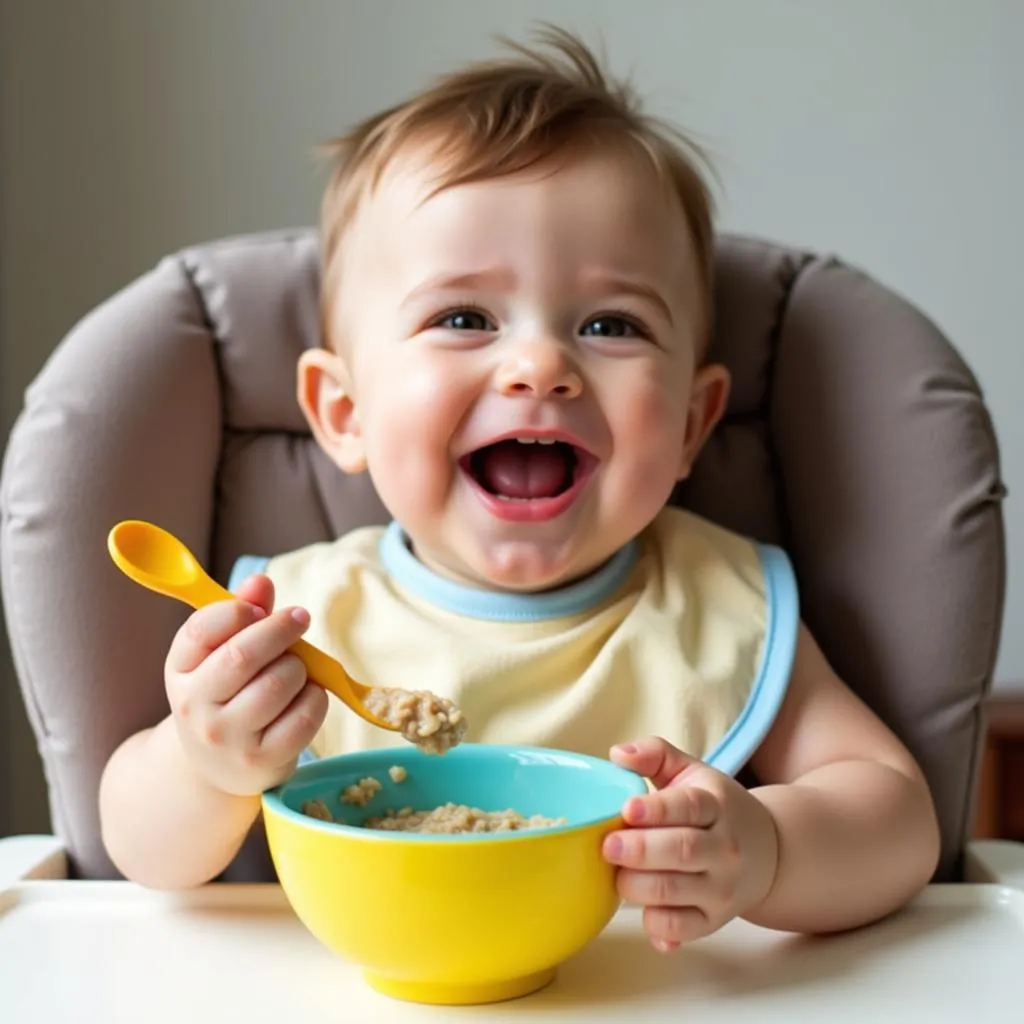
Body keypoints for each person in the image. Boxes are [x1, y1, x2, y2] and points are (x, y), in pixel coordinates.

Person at [99, 25, 940, 951]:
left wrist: (769, 849)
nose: (541, 365)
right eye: (464, 317)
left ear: (696, 423)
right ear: (342, 412)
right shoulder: (293, 620)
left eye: (612, 324)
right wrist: (201, 761)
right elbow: (140, 853)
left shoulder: (717, 607)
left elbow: (898, 818)